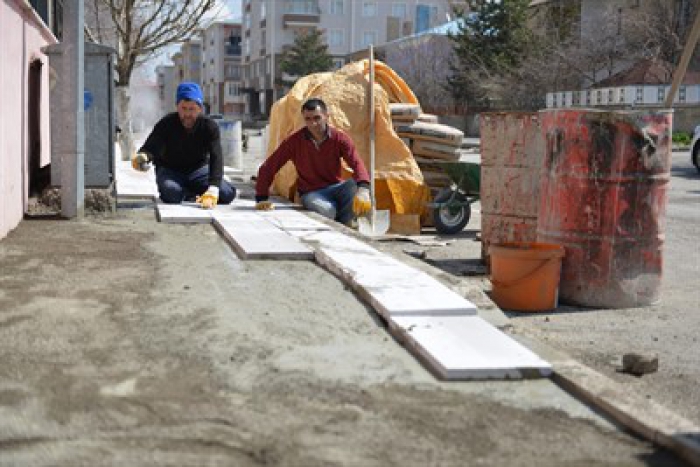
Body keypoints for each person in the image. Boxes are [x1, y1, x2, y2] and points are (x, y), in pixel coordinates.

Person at [254, 98, 372, 225]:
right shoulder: (294, 141)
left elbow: (357, 163)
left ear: (327, 117)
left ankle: (346, 223)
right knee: (328, 211)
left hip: (336, 187)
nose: (313, 124)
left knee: (357, 185)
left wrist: (364, 189)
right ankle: (342, 221)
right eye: (308, 119)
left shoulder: (340, 138)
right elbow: (269, 166)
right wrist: (262, 197)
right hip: (311, 192)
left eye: (317, 118)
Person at [131, 82, 236, 209]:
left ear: (200, 109)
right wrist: (142, 157)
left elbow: (216, 157)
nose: (187, 114)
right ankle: (189, 193)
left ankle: (192, 191)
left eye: (191, 109)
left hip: (198, 170)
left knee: (226, 194)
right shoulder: (166, 123)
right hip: (171, 170)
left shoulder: (209, 127)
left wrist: (213, 188)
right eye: (183, 108)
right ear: (177, 107)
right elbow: (151, 147)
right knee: (171, 194)